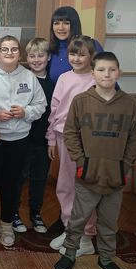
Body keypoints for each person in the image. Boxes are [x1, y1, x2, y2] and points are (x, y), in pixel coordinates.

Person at [53, 51, 136, 269]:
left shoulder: (130, 105)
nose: (107, 74)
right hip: (88, 174)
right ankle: (69, 254)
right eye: (101, 70)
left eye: (112, 70)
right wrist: (82, 162)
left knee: (109, 222)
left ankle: (106, 259)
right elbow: (70, 133)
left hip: (115, 177)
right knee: (78, 219)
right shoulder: (81, 101)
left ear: (119, 73)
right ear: (92, 73)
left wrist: (124, 166)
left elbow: (135, 139)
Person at [0, 35, 45, 247]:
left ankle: (6, 225)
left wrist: (25, 112)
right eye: (5, 49)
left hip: (20, 140)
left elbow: (41, 105)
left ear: (20, 53)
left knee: (12, 185)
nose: (9, 53)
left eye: (14, 49)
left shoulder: (29, 77)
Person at [46, 36, 98, 254]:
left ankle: (85, 236)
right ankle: (70, 229)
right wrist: (51, 137)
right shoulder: (64, 78)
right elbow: (54, 109)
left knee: (85, 187)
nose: (76, 58)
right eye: (73, 54)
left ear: (91, 56)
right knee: (65, 185)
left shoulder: (96, 79)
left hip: (88, 140)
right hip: (63, 136)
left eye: (82, 54)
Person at [11, 38, 55, 234]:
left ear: (48, 57)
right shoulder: (22, 79)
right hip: (22, 138)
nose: (36, 60)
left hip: (43, 140)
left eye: (41, 55)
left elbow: (55, 113)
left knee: (39, 178)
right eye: (32, 56)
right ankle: (13, 212)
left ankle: (36, 213)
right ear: (26, 58)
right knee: (19, 177)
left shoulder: (53, 84)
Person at [48, 6, 103, 83]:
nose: (60, 28)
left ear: (74, 25)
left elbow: (106, 75)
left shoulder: (91, 45)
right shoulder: (50, 49)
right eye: (56, 23)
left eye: (66, 23)